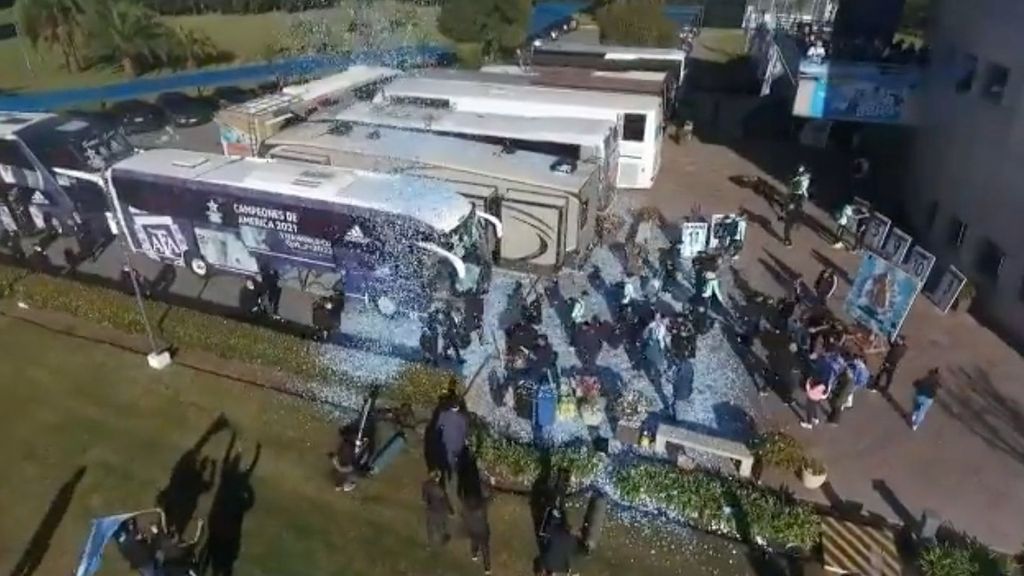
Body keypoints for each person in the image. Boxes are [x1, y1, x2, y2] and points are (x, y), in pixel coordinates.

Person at [462, 490, 493, 575]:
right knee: (485, 549)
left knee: (474, 542)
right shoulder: (482, 507)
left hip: (473, 529)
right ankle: (487, 568)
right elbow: (489, 499)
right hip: (483, 530)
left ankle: (474, 555)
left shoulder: (467, 509)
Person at [437, 400, 469, 479]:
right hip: (458, 443)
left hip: (447, 442)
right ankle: (456, 470)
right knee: (456, 456)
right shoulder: (462, 417)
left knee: (449, 457)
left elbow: (438, 426)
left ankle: (450, 472)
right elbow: (465, 431)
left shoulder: (443, 414)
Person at [422, 470, 454, 547]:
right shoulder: (439, 490)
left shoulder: (426, 485)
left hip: (431, 509)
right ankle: (445, 536)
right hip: (440, 509)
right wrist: (451, 510)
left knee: (430, 527)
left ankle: (430, 544)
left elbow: (424, 498)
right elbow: (446, 500)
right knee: (441, 524)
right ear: (437, 478)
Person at [330, 425, 359, 492]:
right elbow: (352, 469)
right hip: (353, 456)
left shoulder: (337, 475)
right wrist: (337, 465)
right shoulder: (348, 484)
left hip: (348, 453)